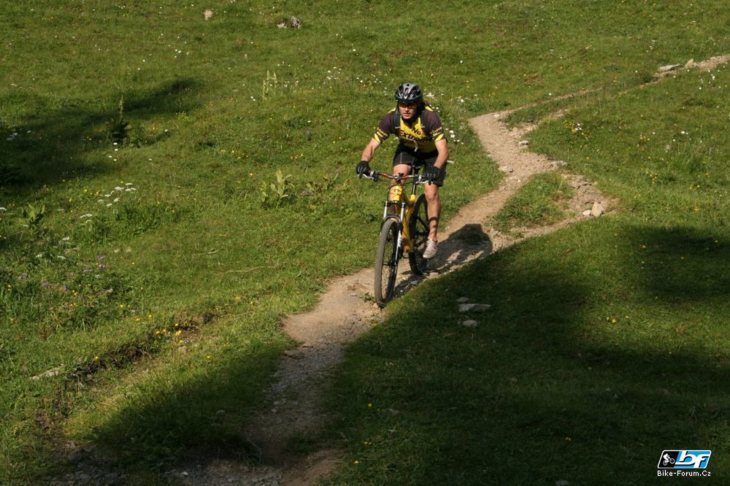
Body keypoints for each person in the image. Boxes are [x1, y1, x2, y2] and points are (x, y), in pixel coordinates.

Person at [356, 82, 449, 259]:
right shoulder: (391, 118)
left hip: (433, 155)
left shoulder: (429, 118)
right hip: (408, 150)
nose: (406, 109)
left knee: (430, 193)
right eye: (402, 104)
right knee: (395, 187)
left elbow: (443, 150)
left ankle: (432, 237)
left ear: (418, 104)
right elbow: (372, 144)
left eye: (411, 105)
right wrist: (364, 161)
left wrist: (436, 168)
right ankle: (393, 225)